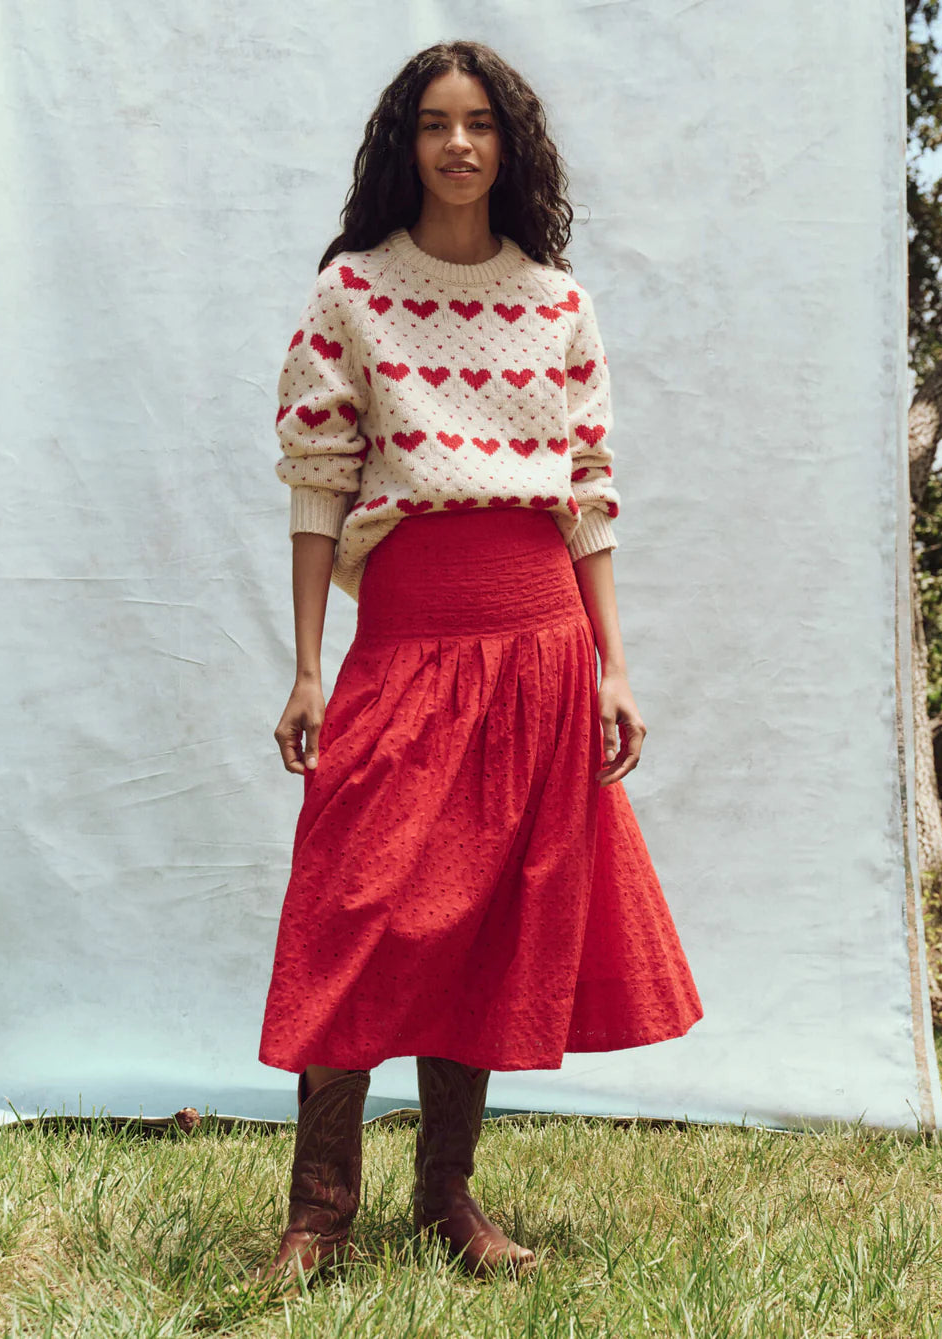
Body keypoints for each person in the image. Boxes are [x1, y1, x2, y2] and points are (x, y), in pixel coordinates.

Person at [250, 39, 704, 1297]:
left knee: (487, 916)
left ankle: (447, 1196)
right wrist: (305, 667)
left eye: (481, 123)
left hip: (542, 636)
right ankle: (318, 1214)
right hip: (406, 630)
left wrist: (614, 667)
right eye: (436, 123)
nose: (459, 144)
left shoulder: (556, 300)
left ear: (512, 144)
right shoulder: (353, 290)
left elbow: (591, 494)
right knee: (354, 902)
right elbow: (316, 480)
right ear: (406, 143)